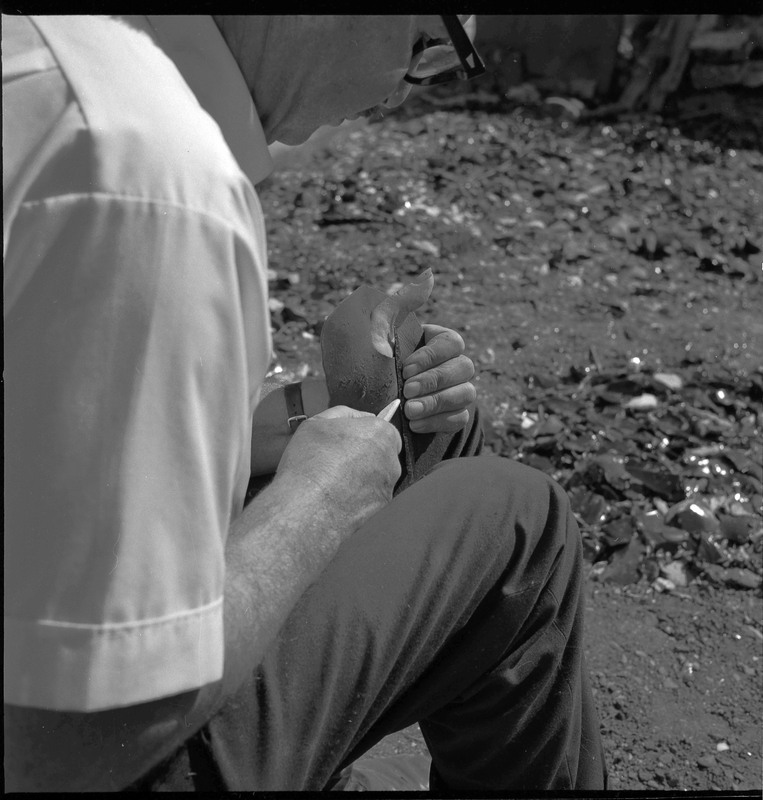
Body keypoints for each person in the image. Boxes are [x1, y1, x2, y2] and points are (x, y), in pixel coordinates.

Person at [3, 14, 606, 791]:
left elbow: (57, 418)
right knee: (520, 522)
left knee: (438, 435)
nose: (403, 91)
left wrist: (325, 407)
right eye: (424, 44)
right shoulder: (151, 179)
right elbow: (70, 744)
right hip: (81, 752)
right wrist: (313, 504)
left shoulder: (51, 58)